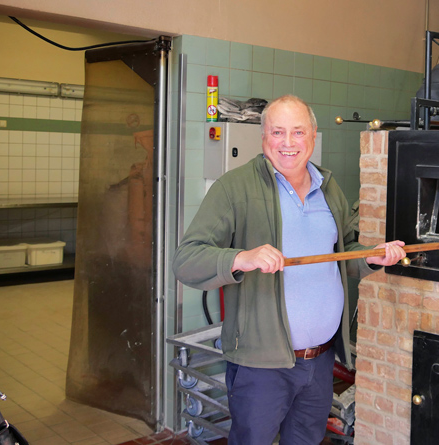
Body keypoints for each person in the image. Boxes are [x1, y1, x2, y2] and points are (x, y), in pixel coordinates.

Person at [172, 95, 406, 444]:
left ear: (313, 135)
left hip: (320, 360)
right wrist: (241, 258)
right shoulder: (234, 188)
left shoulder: (328, 189)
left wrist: (372, 256)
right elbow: (186, 260)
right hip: (261, 365)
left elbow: (343, 250)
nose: (288, 142)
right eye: (277, 132)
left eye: (297, 132)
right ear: (263, 137)